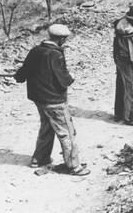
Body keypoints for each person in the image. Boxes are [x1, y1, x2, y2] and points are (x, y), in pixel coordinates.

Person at [14, 24, 90, 176]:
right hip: (54, 100)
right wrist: (71, 77)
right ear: (61, 39)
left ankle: (39, 159)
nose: (65, 41)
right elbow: (64, 80)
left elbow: (21, 75)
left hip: (39, 99)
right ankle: (74, 166)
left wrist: (18, 75)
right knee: (67, 133)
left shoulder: (35, 51)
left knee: (47, 127)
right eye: (65, 39)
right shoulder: (56, 55)